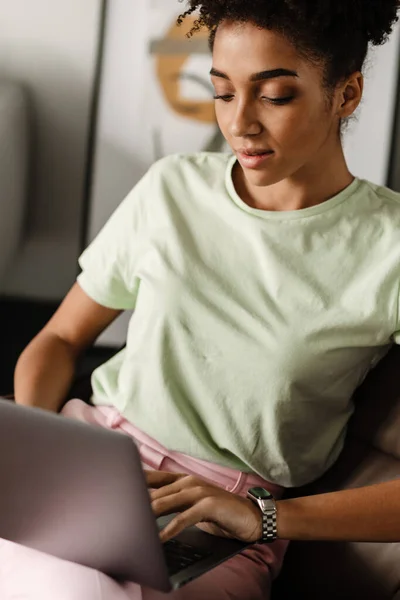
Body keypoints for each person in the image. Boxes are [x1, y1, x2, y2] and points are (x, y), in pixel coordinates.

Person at [3, 0, 400, 598]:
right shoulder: (172, 188)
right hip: (93, 459)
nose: (239, 123)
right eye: (221, 92)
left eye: (274, 96)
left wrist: (265, 520)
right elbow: (58, 339)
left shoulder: (389, 246)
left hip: (227, 521)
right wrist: (36, 452)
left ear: (346, 95)